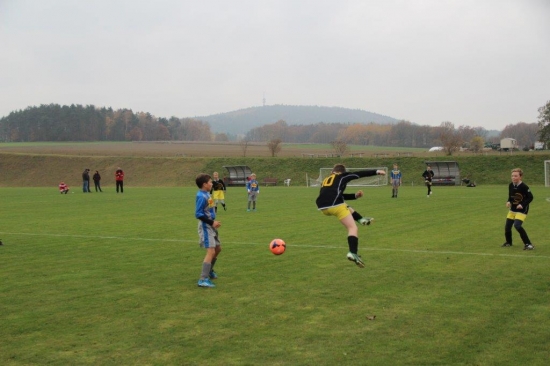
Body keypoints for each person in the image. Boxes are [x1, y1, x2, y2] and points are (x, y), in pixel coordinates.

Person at [315, 164, 386, 268]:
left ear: (332, 172)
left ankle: (361, 219)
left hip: (322, 207)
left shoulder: (326, 180)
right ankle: (353, 252)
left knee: (344, 205)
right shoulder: (341, 176)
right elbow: (357, 174)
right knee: (352, 228)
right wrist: (376, 171)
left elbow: (338, 195)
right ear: (342, 172)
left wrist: (355, 196)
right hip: (335, 206)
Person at [195, 173, 222, 288]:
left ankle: (209, 270)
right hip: (206, 226)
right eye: (210, 182)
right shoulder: (201, 196)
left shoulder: (207, 194)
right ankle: (203, 279)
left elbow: (209, 209)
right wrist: (211, 222)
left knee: (218, 248)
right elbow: (198, 214)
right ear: (204, 184)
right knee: (210, 251)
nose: (212, 184)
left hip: (211, 225)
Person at [502, 168, 534, 250]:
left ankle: (528, 244)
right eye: (512, 176)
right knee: (507, 227)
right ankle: (508, 242)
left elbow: (530, 197)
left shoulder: (524, 186)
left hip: (522, 210)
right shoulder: (511, 185)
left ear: (520, 177)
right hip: (512, 209)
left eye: (516, 176)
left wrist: (522, 205)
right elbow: (510, 196)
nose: (513, 177)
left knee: (517, 225)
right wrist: (508, 201)